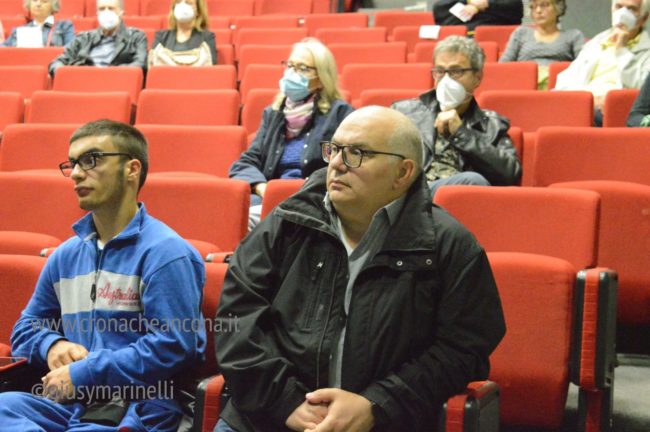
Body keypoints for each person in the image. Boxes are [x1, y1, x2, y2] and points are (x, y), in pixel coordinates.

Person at [214, 106, 506, 432]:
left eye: (357, 153)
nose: (337, 164)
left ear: (403, 172)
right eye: (334, 149)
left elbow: (463, 351)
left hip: (385, 422)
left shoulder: (448, 245)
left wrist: (377, 405)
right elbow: (236, 316)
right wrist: (285, 401)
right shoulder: (287, 222)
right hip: (267, 415)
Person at [0, 120, 206, 431]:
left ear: (131, 169)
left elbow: (172, 346)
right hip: (72, 402)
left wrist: (86, 372)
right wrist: (51, 345)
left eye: (91, 160)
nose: (76, 173)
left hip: (139, 405)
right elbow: (26, 328)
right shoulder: (66, 255)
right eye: (72, 163)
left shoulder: (166, 253)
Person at [229, 37, 354, 229]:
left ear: (321, 79)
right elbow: (245, 163)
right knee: (231, 219)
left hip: (314, 203)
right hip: (269, 201)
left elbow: (347, 167)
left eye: (303, 68)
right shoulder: (274, 114)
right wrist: (263, 188)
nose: (292, 73)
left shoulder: (340, 114)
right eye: (290, 66)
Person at [391, 36, 521, 196]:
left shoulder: (492, 125)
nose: (446, 80)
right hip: (411, 194)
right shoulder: (405, 112)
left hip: (460, 199)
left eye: (456, 71)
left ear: (477, 77)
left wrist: (461, 133)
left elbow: (511, 175)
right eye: (440, 71)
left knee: (472, 182)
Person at [554, 0, 650, 126]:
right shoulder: (597, 42)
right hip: (583, 104)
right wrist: (586, 100)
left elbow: (642, 91)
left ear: (644, 18)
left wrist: (621, 50)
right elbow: (565, 81)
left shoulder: (647, 49)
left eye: (631, 9)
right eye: (619, 7)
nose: (622, 13)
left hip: (614, 110)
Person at [500, 0, 584, 89]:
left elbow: (584, 67)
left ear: (558, 8)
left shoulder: (573, 36)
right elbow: (503, 66)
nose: (538, 10)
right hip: (524, 86)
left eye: (544, 5)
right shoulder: (521, 33)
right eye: (533, 7)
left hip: (559, 88)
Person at [48, 0, 147, 75]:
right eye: (102, 9)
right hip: (84, 82)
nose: (106, 12)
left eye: (111, 8)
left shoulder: (136, 37)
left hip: (115, 84)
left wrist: (108, 73)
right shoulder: (84, 38)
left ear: (121, 12)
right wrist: (69, 74)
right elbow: (56, 63)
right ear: (97, 13)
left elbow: (140, 65)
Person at [149, 0, 217, 67]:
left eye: (188, 3)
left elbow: (208, 67)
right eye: (178, 2)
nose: (182, 5)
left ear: (198, 11)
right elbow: (153, 65)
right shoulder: (161, 37)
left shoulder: (207, 37)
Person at [1, 0, 74, 47]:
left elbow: (71, 50)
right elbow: (4, 49)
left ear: (53, 5)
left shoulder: (64, 26)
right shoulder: (19, 31)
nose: (38, 4)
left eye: (44, 1)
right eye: (34, 0)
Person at [433, 0, 523, 31]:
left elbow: (516, 10)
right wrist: (469, 2)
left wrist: (487, 4)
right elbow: (439, 10)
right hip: (460, 38)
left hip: (491, 34)